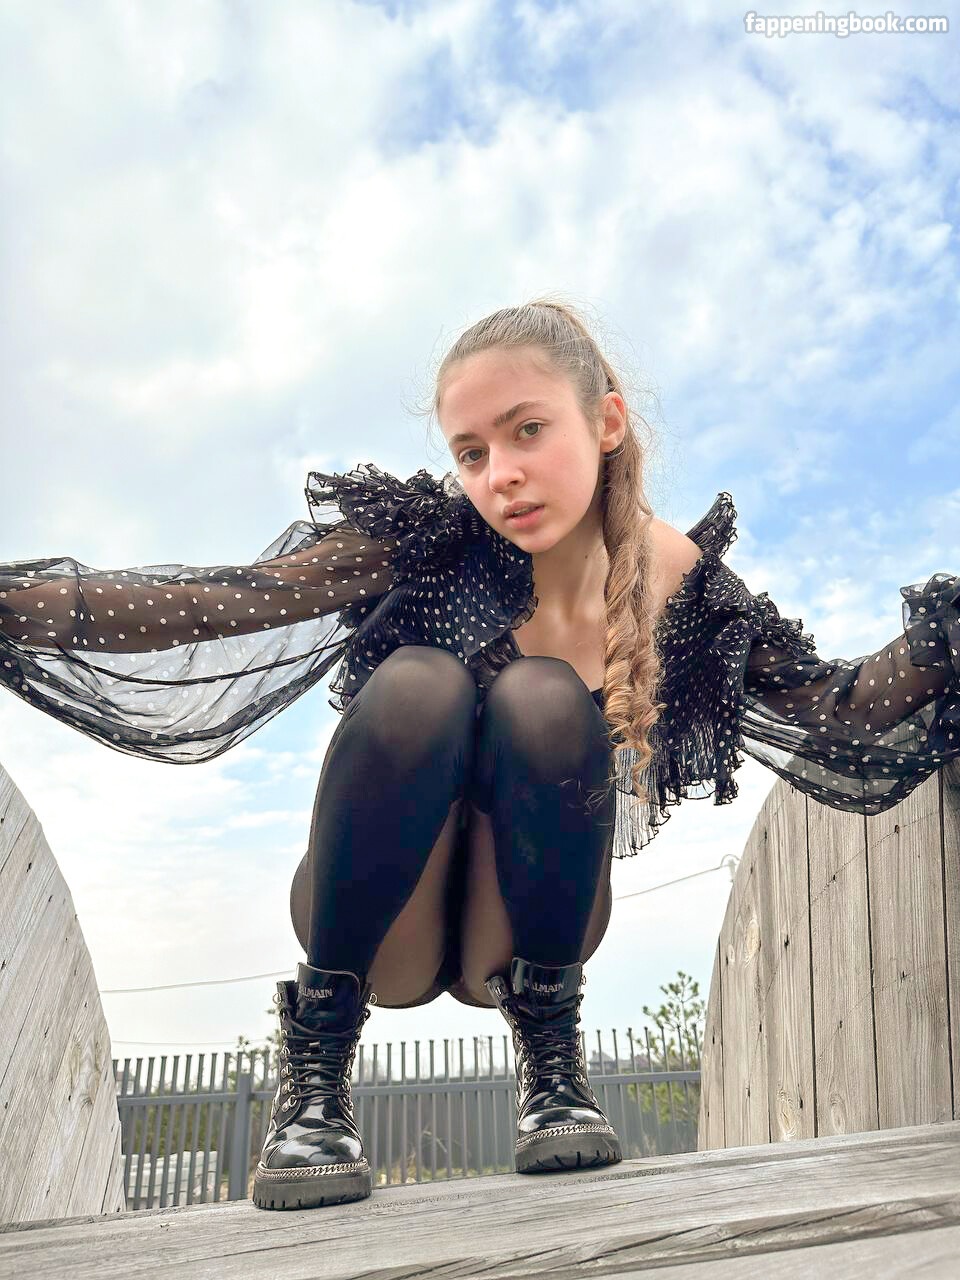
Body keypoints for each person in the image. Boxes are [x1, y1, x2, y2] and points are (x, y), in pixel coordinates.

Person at [0, 300, 957, 1213]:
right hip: (383, 926)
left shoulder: (683, 586)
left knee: (542, 695)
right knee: (421, 681)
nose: (500, 473)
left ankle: (553, 1071)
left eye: (527, 430)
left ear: (607, 422)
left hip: (524, 929)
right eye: (472, 452)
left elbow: (840, 715)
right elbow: (222, 604)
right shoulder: (432, 540)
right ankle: (316, 1083)